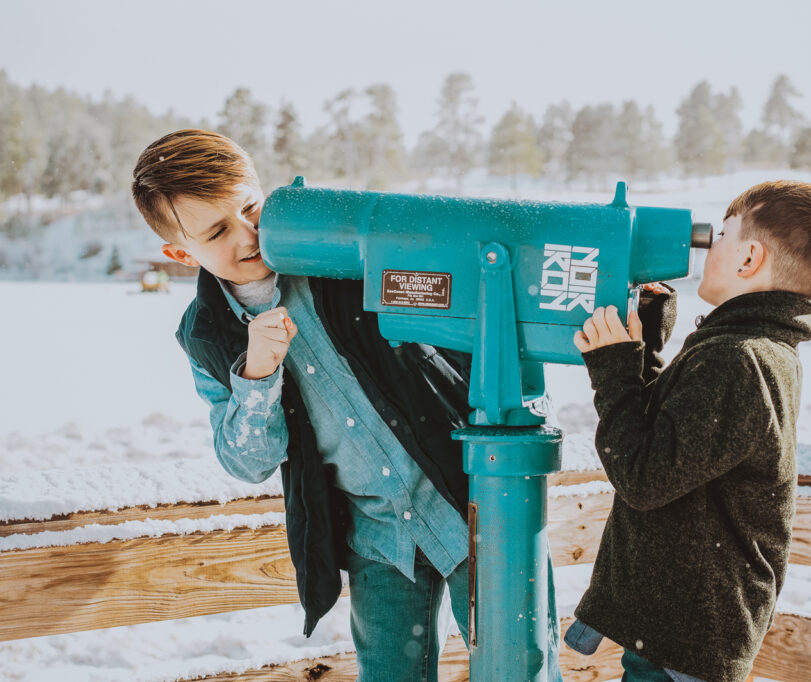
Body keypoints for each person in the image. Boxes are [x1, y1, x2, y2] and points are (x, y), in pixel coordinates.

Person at [130, 129, 561, 681]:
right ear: (178, 252)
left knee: (521, 671)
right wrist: (257, 376)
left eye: (251, 208)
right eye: (217, 231)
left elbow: (471, 301)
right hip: (378, 538)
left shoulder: (341, 254)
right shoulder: (207, 336)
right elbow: (245, 460)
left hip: (473, 504)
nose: (248, 235)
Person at [565, 180, 811, 682]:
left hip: (683, 646)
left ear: (748, 258)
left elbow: (643, 476)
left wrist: (615, 372)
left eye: (720, 235)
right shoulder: (753, 347)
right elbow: (680, 448)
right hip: (683, 633)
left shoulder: (739, 360)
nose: (705, 245)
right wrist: (649, 350)